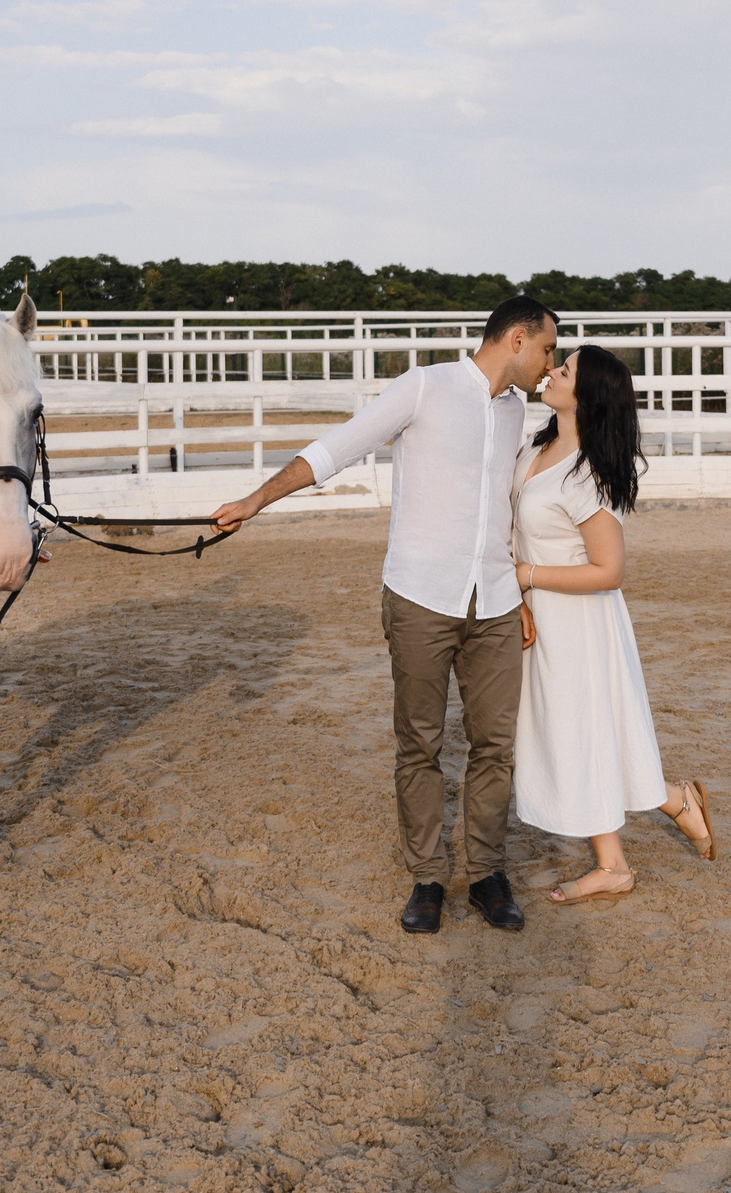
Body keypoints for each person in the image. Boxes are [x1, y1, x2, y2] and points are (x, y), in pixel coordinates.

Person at [212, 295, 559, 935]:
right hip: (420, 598)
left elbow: (511, 506)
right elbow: (335, 449)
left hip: (497, 604)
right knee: (419, 742)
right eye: (546, 349)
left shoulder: (516, 414)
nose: (548, 364)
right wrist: (257, 498)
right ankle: (427, 876)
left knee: (495, 746)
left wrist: (523, 594)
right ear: (516, 339)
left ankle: (486, 873)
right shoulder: (424, 388)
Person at [511, 345, 714, 904]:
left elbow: (609, 571)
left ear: (588, 395)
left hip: (578, 621)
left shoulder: (589, 475)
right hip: (538, 612)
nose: (551, 371)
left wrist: (526, 574)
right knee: (579, 733)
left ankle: (619, 860)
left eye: (565, 370)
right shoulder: (538, 443)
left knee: (585, 733)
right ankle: (673, 803)